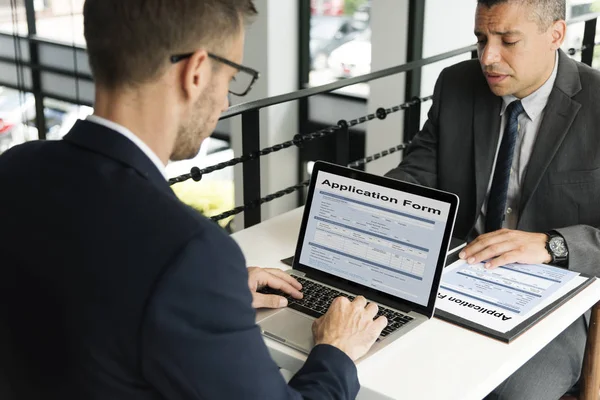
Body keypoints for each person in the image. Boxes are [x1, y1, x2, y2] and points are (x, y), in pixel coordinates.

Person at [0, 1, 388, 399]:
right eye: (231, 79)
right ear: (196, 72)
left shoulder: (16, 169)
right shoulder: (189, 252)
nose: (226, 102)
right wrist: (336, 350)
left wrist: (210, 299)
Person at [386, 0, 600, 398]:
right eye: (481, 39)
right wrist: (379, 207)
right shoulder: (456, 84)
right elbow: (418, 172)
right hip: (457, 269)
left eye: (508, 40)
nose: (488, 57)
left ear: (556, 34)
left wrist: (551, 244)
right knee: (383, 354)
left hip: (558, 294)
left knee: (508, 391)